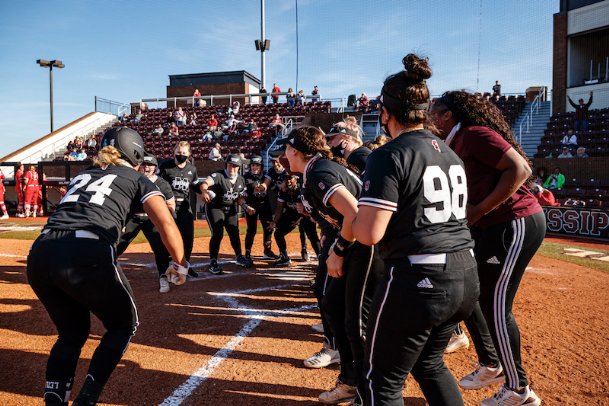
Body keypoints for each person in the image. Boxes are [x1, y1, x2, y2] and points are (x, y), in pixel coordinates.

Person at [26, 127, 187, 405]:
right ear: (135, 152)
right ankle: (86, 399)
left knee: (71, 333)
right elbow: (166, 223)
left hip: (41, 253)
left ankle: (54, 400)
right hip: (87, 251)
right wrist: (180, 263)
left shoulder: (82, 174)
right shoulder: (138, 178)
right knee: (124, 325)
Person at [352, 54, 478, 406]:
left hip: (419, 279)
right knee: (430, 364)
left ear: (385, 112)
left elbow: (369, 234)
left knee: (381, 382)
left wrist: (352, 217)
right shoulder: (450, 153)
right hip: (465, 272)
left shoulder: (388, 155)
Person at [431, 89, 545, 405]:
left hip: (514, 221)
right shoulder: (454, 141)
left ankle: (518, 390)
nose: (430, 120)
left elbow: (520, 169)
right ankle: (493, 363)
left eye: (434, 114)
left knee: (496, 305)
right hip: (492, 226)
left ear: (447, 116)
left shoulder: (473, 134)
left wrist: (479, 209)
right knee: (473, 295)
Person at [279, 126, 372, 405]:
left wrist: (339, 250)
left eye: (286, 150)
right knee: (331, 303)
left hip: (365, 249)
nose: (284, 155)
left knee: (355, 321)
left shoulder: (319, 171)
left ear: (295, 150)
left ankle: (366, 389)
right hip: (355, 244)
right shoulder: (315, 171)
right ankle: (350, 381)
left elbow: (354, 211)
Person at [116, 153, 177, 293]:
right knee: (117, 243)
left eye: (150, 165)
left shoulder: (161, 183)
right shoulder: (132, 180)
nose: (146, 168)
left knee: (160, 247)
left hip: (152, 219)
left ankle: (163, 276)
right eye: (143, 164)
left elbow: (171, 204)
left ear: (155, 168)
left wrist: (163, 218)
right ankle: (104, 270)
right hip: (133, 217)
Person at [200, 154, 250, 274]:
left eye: (235, 166)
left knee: (234, 232)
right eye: (229, 165)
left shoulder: (241, 180)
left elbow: (239, 198)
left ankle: (239, 257)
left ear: (239, 167)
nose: (231, 168)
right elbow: (205, 183)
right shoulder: (219, 175)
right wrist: (204, 191)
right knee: (217, 233)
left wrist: (246, 206)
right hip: (215, 207)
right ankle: (213, 261)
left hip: (231, 208)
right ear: (226, 165)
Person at [159, 141, 201, 278]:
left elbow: (194, 186)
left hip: (184, 207)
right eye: (179, 152)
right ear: (174, 151)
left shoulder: (192, 169)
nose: (181, 155)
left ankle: (185, 266)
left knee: (188, 237)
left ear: (189, 154)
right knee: (168, 236)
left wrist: (205, 191)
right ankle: (166, 267)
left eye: (184, 153)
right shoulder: (166, 166)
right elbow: (158, 184)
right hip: (169, 206)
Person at [268, 174, 320, 265]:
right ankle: (284, 257)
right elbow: (279, 208)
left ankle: (321, 258)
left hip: (306, 214)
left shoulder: (302, 191)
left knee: (312, 235)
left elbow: (309, 209)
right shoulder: (283, 192)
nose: (280, 185)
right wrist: (274, 222)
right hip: (292, 214)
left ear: (292, 182)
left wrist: (299, 220)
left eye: (282, 183)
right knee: (278, 233)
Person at [243, 155, 279, 263]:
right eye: (253, 165)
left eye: (257, 165)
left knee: (268, 227)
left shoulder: (266, 176)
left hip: (264, 205)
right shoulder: (246, 177)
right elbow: (256, 187)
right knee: (251, 229)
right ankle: (248, 253)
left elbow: (272, 186)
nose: (255, 167)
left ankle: (267, 251)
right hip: (251, 206)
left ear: (261, 167)